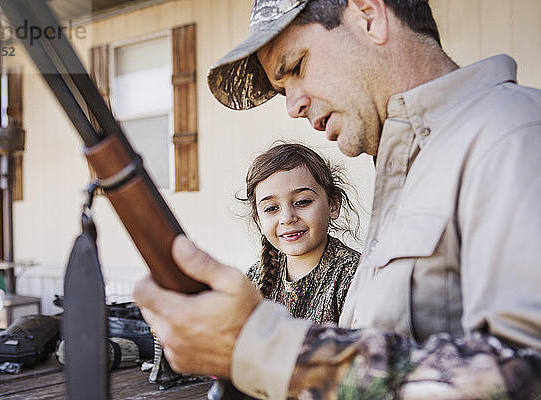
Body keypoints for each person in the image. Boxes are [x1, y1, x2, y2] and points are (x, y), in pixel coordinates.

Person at [134, 0, 541, 399]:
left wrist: (262, 347)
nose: (293, 106)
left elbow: (528, 375)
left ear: (368, 16)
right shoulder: (411, 167)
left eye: (295, 67)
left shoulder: (513, 135)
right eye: (282, 90)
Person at [241, 142, 360, 324]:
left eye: (302, 202)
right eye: (272, 208)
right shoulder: (255, 278)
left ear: (333, 204)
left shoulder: (355, 276)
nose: (287, 218)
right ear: (258, 220)